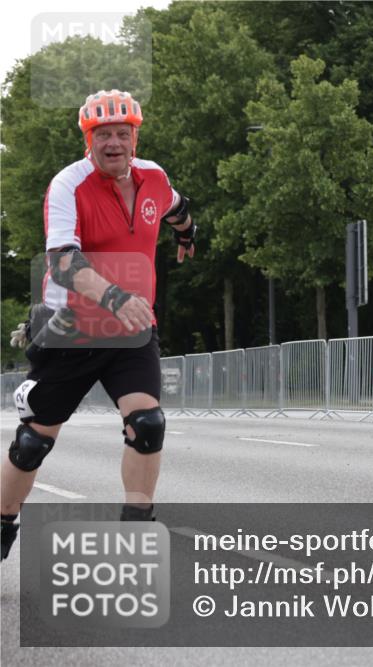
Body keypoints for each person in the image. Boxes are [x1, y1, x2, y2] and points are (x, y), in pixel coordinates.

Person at [1, 90, 196, 561]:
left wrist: (187, 232)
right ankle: (3, 521)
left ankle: (135, 535)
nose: (114, 143)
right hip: (72, 327)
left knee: (147, 424)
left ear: (135, 136)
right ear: (89, 140)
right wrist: (114, 296)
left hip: (131, 331)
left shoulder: (153, 177)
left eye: (122, 134)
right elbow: (63, 262)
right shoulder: (68, 185)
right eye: (103, 135)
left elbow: (175, 205)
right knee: (34, 443)